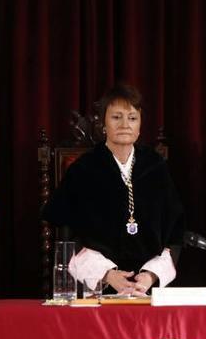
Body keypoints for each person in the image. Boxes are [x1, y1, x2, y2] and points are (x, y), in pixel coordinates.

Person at [43, 84, 184, 295]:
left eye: (132, 118)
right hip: (97, 284)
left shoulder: (155, 166)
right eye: (116, 117)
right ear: (103, 124)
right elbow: (68, 233)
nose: (125, 125)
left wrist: (149, 276)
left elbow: (174, 231)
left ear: (140, 125)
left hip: (148, 286)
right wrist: (108, 275)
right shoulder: (84, 169)